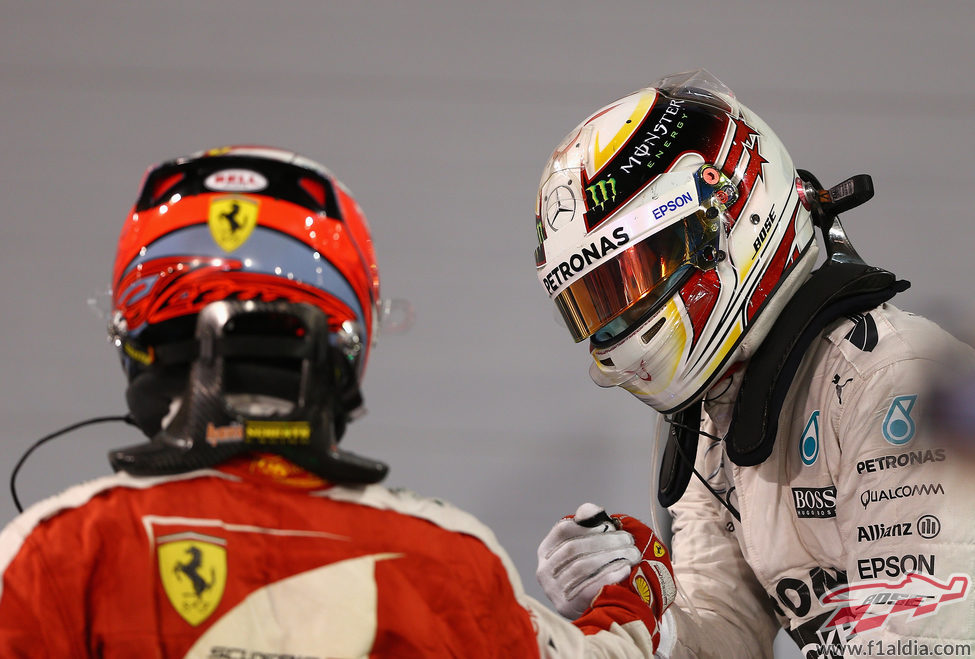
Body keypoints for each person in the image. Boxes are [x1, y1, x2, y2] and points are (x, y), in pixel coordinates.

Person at [0, 146, 675, 657]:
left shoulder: (59, 555)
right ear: (348, 335)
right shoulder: (447, 562)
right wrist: (633, 585)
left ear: (137, 330)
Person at [530, 70, 975, 658]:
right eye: (600, 300)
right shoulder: (718, 413)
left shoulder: (892, 380)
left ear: (730, 219)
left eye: (638, 276)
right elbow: (724, 631)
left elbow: (928, 645)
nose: (621, 321)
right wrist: (643, 608)